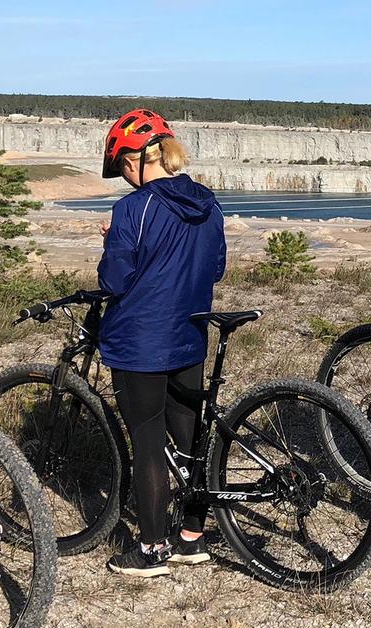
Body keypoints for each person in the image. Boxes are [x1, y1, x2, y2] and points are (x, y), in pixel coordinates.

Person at [97, 109, 227, 577]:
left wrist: (111, 243)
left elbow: (115, 280)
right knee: (190, 435)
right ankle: (191, 537)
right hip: (189, 336)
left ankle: (151, 547)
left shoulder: (133, 209)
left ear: (134, 160)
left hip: (140, 341)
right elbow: (215, 270)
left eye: (122, 167)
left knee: (148, 443)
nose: (125, 177)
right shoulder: (208, 203)